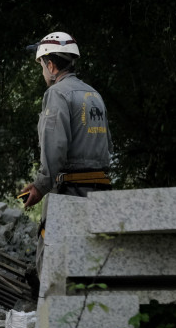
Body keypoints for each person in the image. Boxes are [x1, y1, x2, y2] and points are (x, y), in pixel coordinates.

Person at [19, 32, 113, 288]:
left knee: (53, 260)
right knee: (91, 258)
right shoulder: (94, 95)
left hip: (70, 191)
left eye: (41, 66)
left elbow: (55, 145)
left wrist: (40, 185)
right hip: (101, 191)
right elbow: (108, 146)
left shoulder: (57, 94)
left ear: (50, 65)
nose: (42, 72)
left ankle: (53, 323)